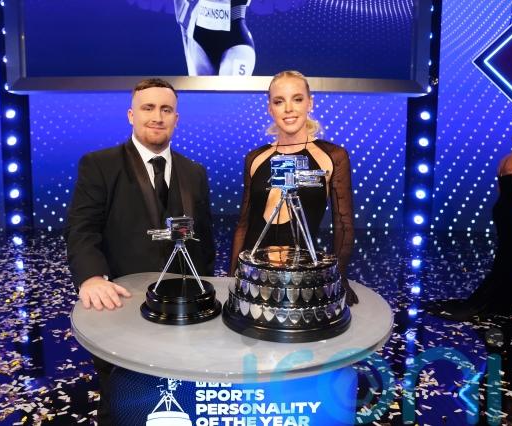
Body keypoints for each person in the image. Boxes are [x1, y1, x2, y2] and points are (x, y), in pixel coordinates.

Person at [64, 78, 215, 424]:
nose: (157, 117)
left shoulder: (194, 172)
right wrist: (91, 277)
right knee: (122, 404)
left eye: (166, 109)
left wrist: (205, 294)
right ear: (131, 115)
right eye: (148, 108)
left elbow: (204, 240)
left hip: (183, 312)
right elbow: (81, 228)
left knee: (182, 396)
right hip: (123, 306)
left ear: (176, 118)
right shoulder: (100, 165)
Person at [230, 70, 358, 305]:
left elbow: (343, 224)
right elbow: (244, 224)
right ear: (270, 109)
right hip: (254, 276)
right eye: (279, 101)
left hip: (300, 278)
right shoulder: (255, 158)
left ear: (310, 103)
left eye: (297, 99)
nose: (288, 108)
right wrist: (232, 278)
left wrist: (338, 277)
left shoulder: (332, 156)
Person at [431, 130, 512, 321]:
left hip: (501, 209)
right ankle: (501, 302)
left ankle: (502, 300)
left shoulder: (504, 160)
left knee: (505, 256)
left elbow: (500, 188)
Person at [174, 0, 255, 75]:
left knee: (230, 85)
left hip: (236, 43)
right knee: (200, 86)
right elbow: (181, 11)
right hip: (199, 41)